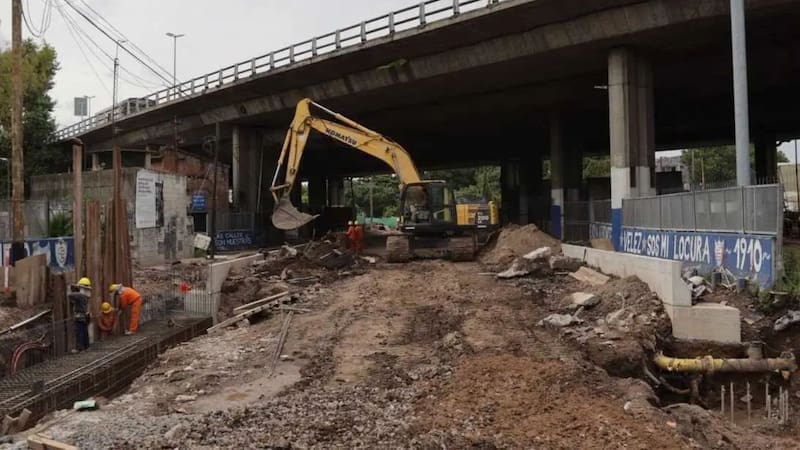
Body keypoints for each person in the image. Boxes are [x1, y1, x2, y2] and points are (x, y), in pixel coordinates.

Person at [69, 278, 91, 352]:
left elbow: (70, 295)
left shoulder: (80, 295)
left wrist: (69, 287)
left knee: (79, 333)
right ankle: (86, 347)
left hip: (80, 317)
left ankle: (79, 348)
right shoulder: (87, 294)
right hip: (85, 316)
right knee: (85, 332)